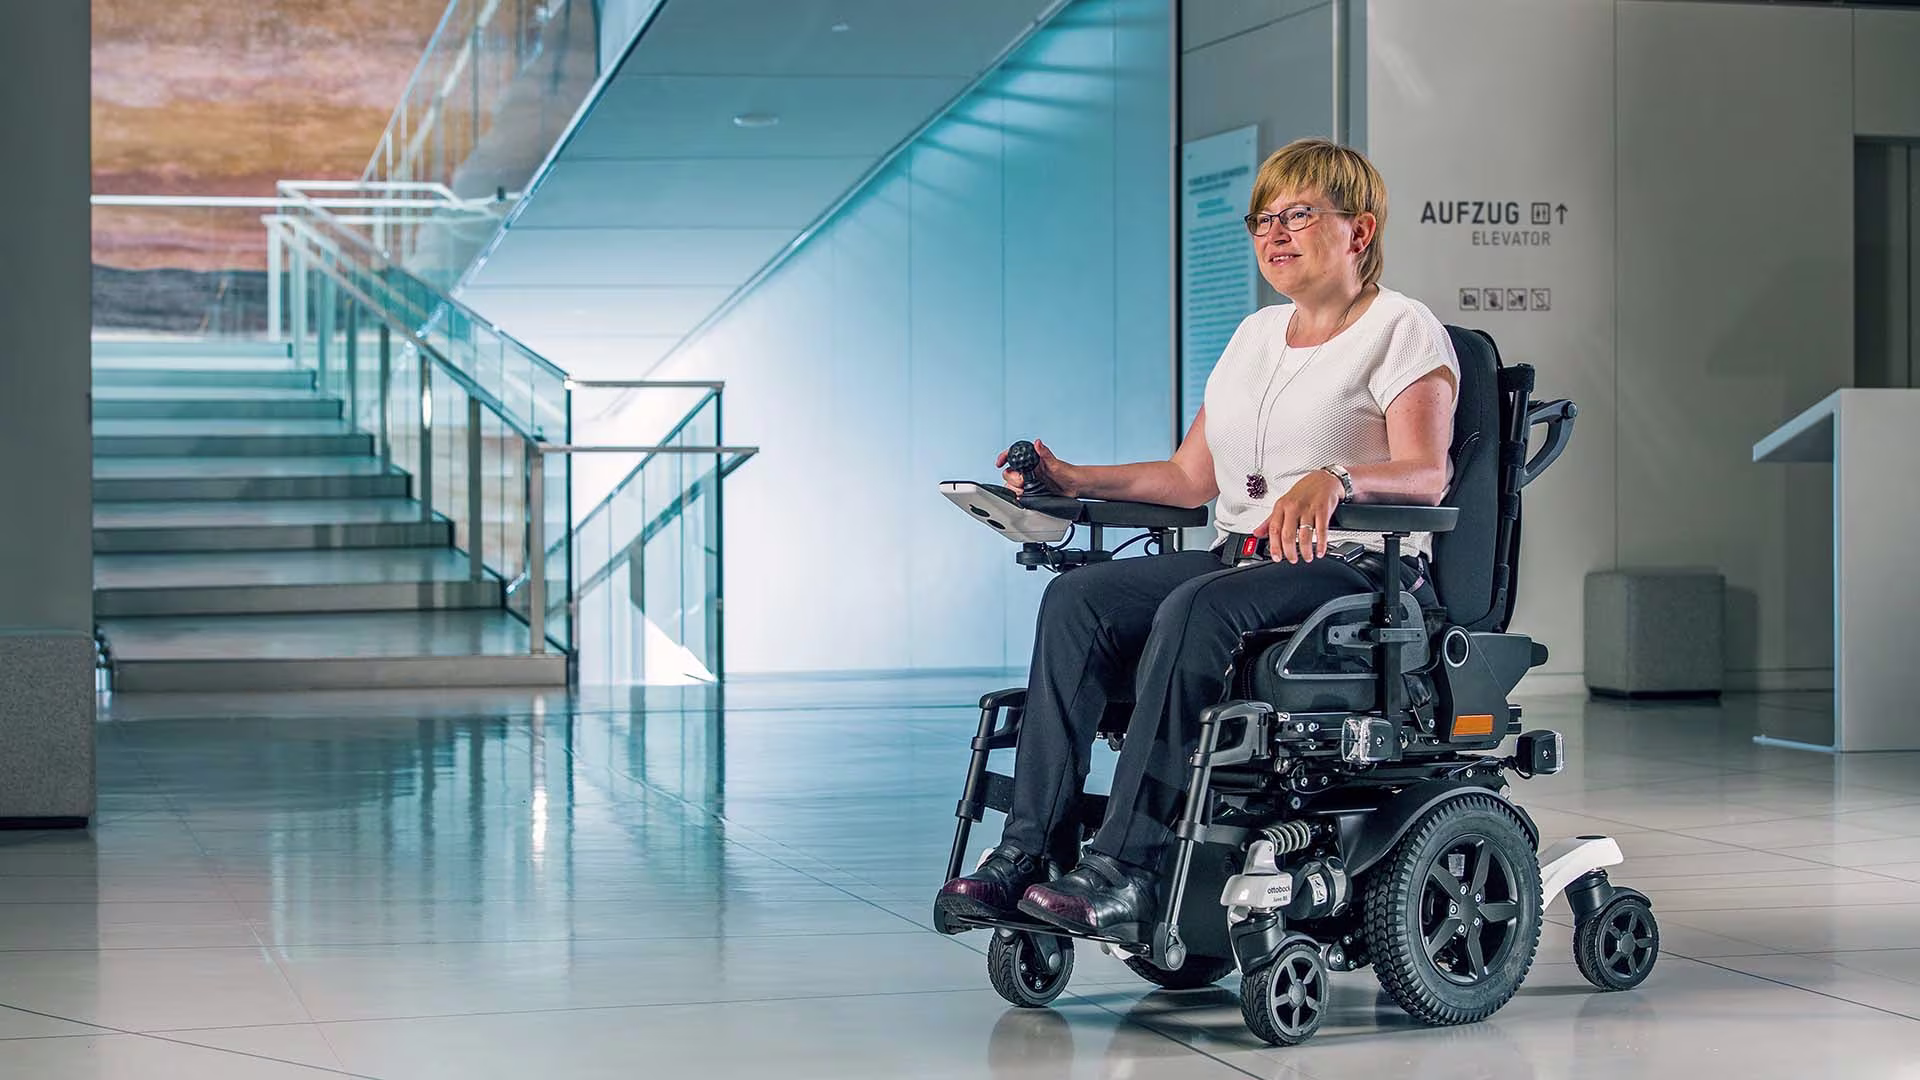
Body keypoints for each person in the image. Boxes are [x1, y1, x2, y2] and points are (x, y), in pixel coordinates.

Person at [935, 137, 1462, 940]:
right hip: (1243, 559)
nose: (1273, 234)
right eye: (1262, 220)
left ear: (1359, 230)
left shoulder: (1401, 328)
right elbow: (1189, 478)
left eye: (1297, 215)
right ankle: (1029, 852)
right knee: (1078, 598)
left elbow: (1428, 472)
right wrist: (1071, 478)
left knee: (1198, 607)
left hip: (1352, 570)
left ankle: (1128, 870)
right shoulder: (1255, 335)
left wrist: (1337, 477)